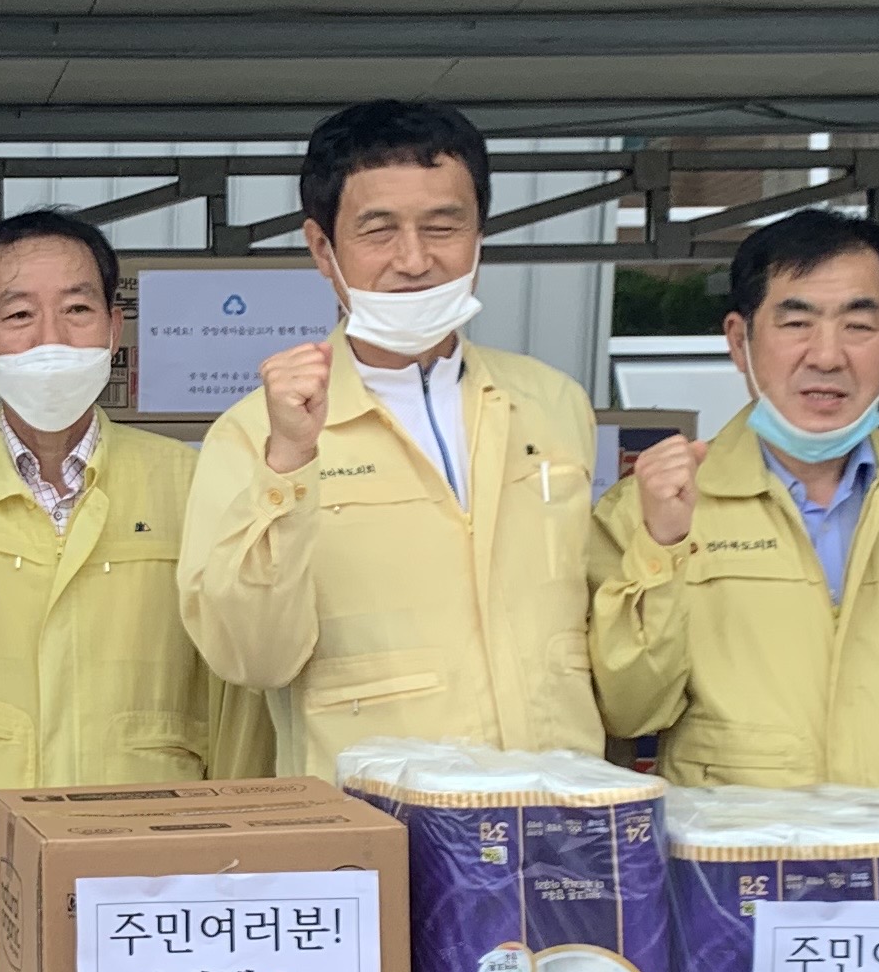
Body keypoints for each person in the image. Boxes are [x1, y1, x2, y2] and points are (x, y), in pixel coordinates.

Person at [0, 209, 266, 972]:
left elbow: (236, 691)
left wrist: (234, 856)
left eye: (77, 309)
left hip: (156, 873)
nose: (52, 339)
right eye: (19, 315)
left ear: (113, 328)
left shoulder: (190, 479)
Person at [178, 100, 608, 776]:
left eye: (443, 226)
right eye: (378, 231)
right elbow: (250, 658)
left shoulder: (553, 403)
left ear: (480, 235)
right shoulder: (255, 433)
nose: (415, 259)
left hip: (550, 811)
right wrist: (288, 462)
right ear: (321, 248)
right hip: (373, 820)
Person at [589, 208, 879, 789]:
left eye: (859, 325)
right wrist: (663, 545)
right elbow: (629, 711)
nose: (827, 356)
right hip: (739, 844)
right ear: (739, 340)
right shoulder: (648, 507)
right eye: (797, 322)